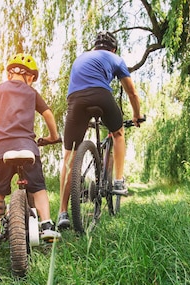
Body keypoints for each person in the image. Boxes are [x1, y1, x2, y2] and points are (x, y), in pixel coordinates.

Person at [57, 32, 142, 229]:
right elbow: (132, 92)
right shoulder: (116, 58)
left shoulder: (81, 57)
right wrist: (137, 116)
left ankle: (62, 212)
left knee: (69, 156)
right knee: (119, 133)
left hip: (76, 100)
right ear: (113, 49)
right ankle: (119, 181)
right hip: (101, 95)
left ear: (95, 47)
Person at [0, 53, 61, 251]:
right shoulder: (31, 93)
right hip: (27, 147)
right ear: (30, 77)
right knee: (38, 188)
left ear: (9, 74)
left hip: (1, 149)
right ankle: (47, 225)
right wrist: (53, 137)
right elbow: (48, 114)